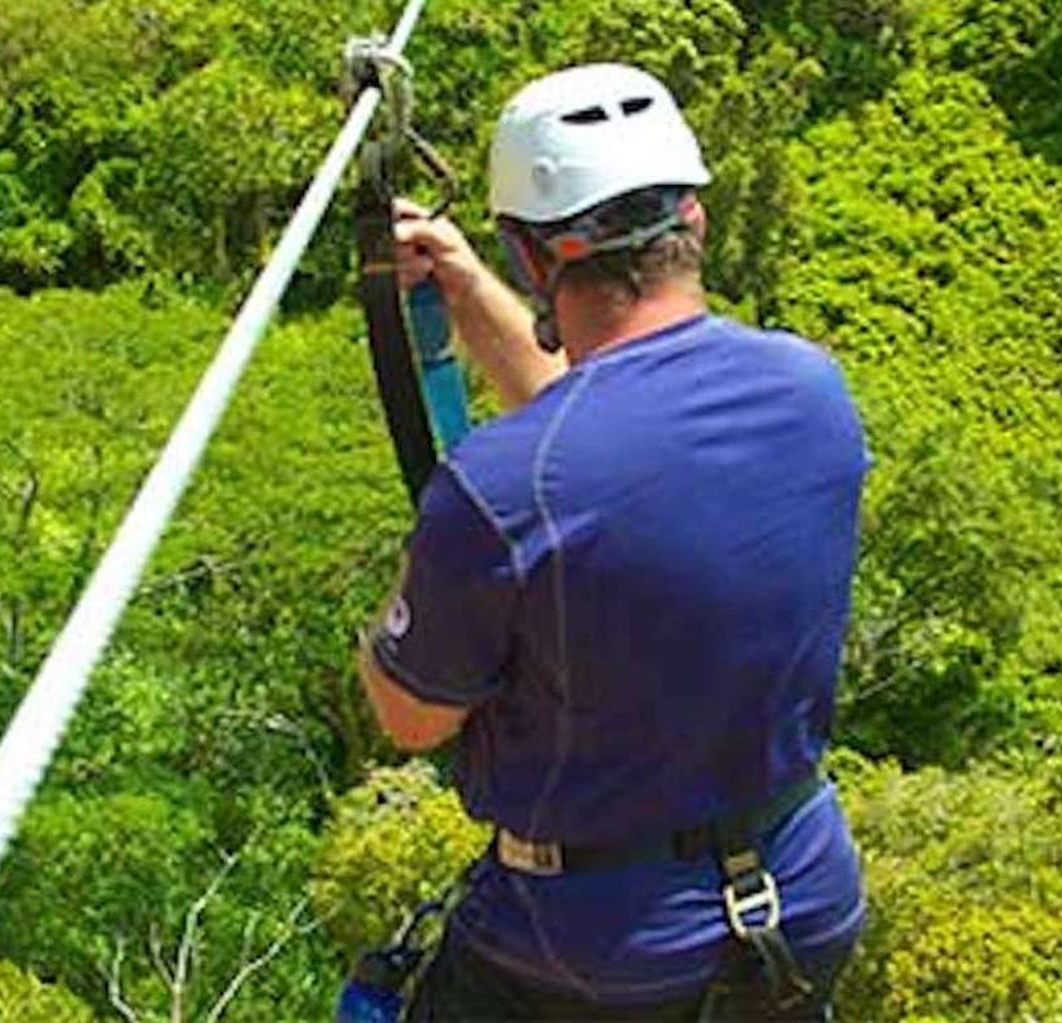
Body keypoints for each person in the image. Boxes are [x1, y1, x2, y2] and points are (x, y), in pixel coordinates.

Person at [356, 63, 869, 1022]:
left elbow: (412, 715)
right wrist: (464, 292)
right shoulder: (814, 390)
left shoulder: (500, 486)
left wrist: (420, 577)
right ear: (696, 222)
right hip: (801, 900)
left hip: (586, 952)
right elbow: (602, 444)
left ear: (534, 255)